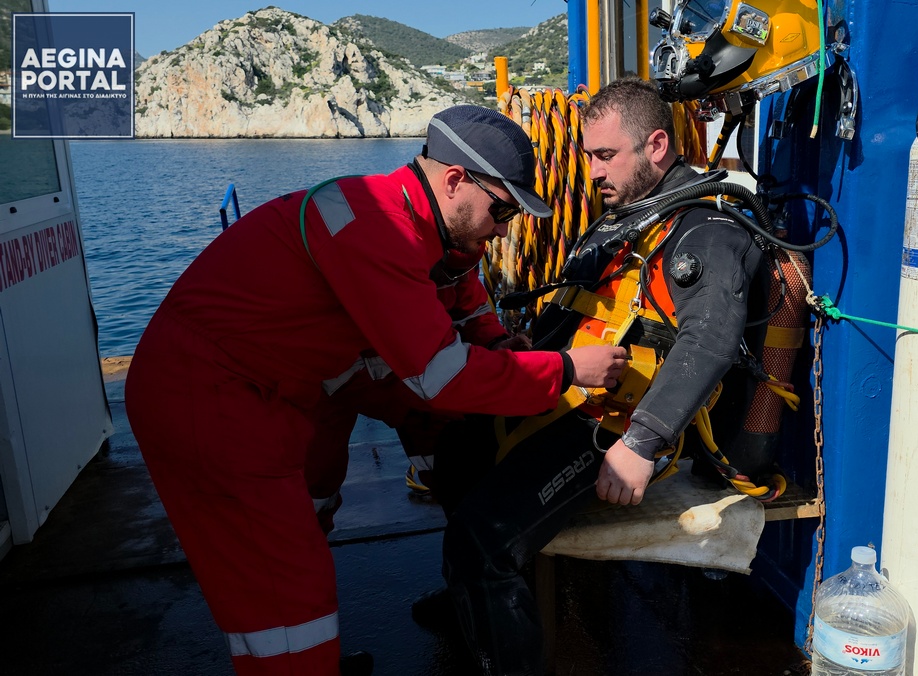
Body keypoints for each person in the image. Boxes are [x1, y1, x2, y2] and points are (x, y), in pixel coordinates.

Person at [124, 105, 628, 676]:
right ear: (455, 180)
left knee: (394, 454)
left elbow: (464, 307)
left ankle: (461, 580)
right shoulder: (373, 228)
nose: (505, 228)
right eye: (503, 208)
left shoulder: (436, 228)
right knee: (287, 593)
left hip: (293, 383)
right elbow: (441, 376)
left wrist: (501, 347)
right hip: (208, 394)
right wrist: (563, 370)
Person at [420, 78, 774, 675]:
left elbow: (709, 338)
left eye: (605, 156)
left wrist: (641, 445)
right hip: (566, 394)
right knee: (453, 455)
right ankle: (475, 601)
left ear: (656, 145)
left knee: (480, 542)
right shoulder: (624, 221)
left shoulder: (704, 231)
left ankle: (491, 607)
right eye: (587, 155)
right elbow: (580, 307)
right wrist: (526, 350)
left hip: (615, 426)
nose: (592, 171)